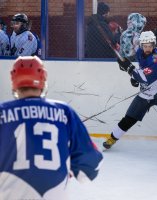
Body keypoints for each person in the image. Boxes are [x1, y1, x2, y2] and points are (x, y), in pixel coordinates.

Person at [0, 56, 103, 199]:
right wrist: (71, 169)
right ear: (43, 79)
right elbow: (91, 164)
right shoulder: (64, 111)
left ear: (14, 81)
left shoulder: (2, 112)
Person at [103, 31, 157, 153]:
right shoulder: (140, 52)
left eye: (150, 46)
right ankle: (112, 138)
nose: (147, 48)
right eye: (145, 46)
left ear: (154, 45)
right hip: (146, 92)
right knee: (129, 118)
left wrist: (128, 68)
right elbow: (141, 71)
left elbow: (143, 77)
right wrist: (133, 77)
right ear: (141, 45)